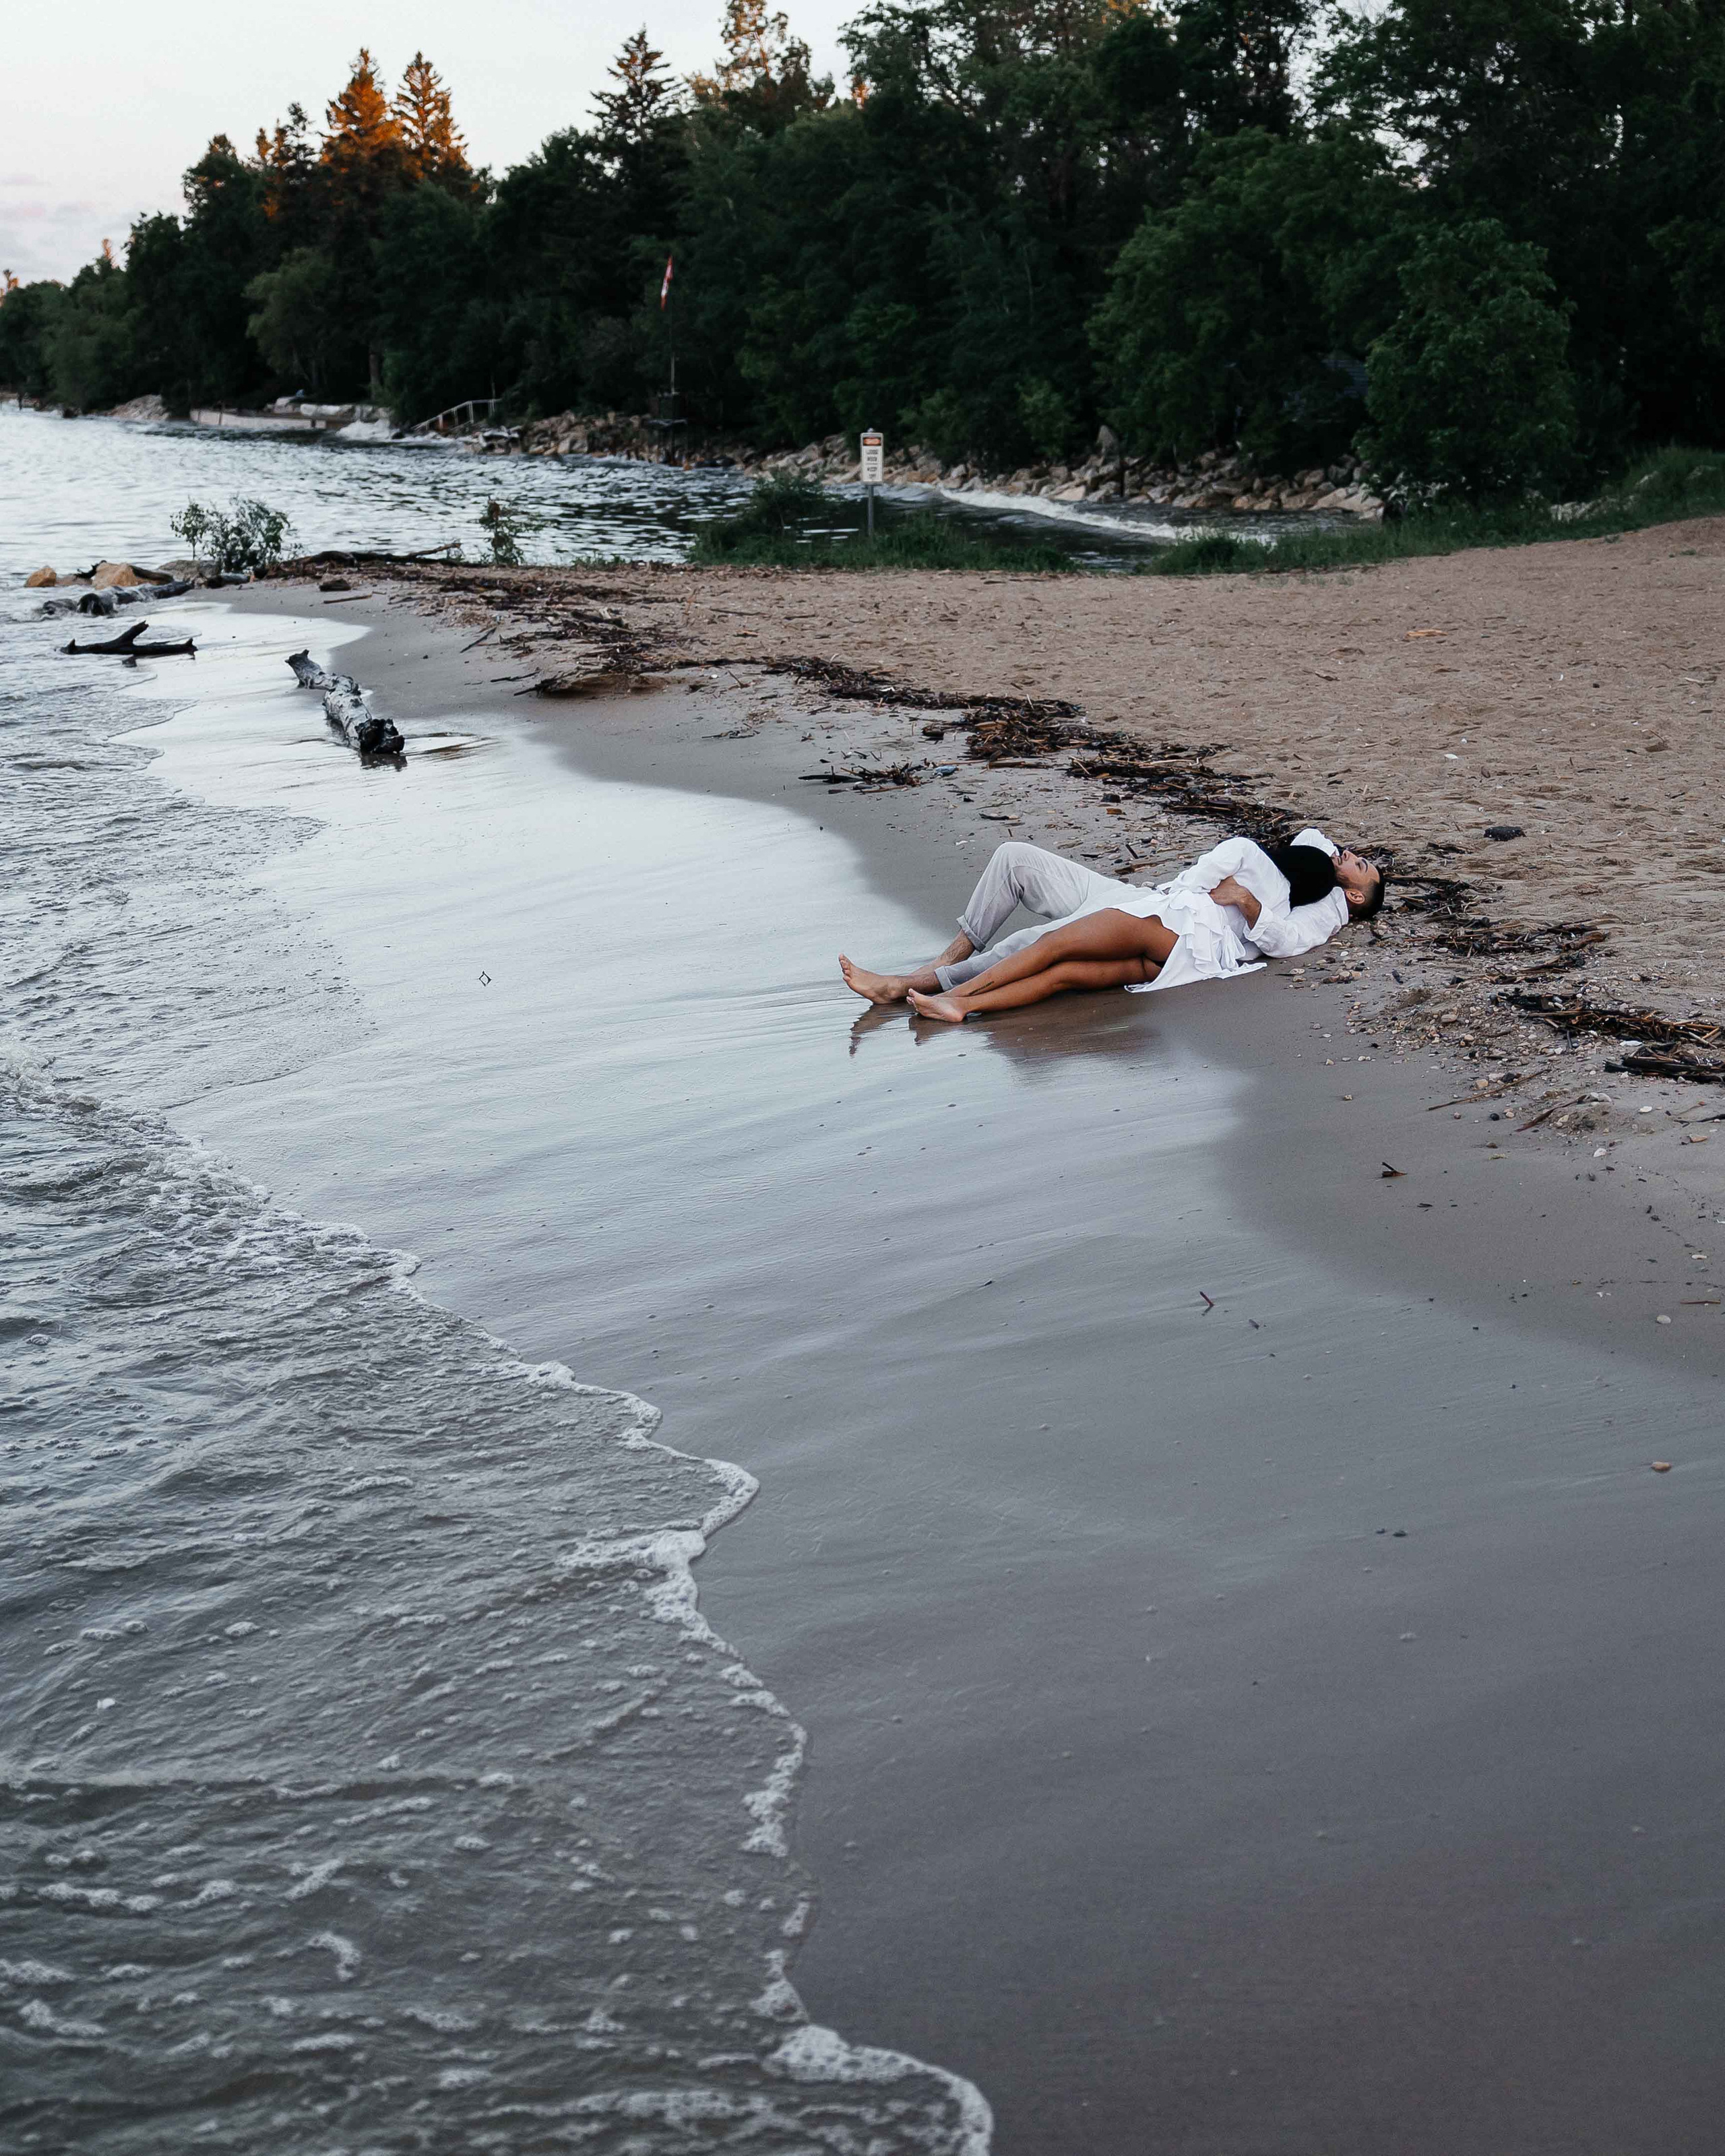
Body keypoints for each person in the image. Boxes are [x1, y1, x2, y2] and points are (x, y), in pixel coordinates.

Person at [838, 829, 1383, 1023]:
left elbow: (1286, 937)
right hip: (1158, 909)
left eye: (1357, 862)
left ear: (1354, 892)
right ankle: (947, 972)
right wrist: (1335, 863)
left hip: (1172, 918)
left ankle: (916, 987)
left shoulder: (1320, 903)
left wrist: (1246, 899)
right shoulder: (1311, 864)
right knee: (1014, 859)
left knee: (1044, 945)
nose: (1348, 851)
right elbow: (1313, 838)